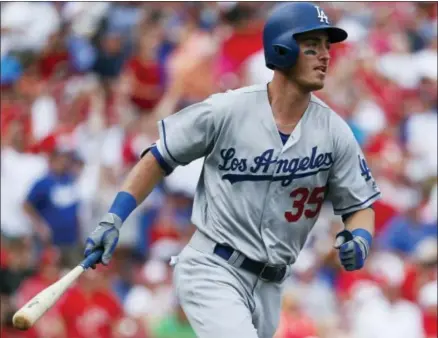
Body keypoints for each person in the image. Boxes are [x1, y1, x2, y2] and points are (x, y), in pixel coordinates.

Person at [84, 3, 381, 337]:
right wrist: (114, 217)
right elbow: (158, 157)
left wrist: (361, 239)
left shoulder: (333, 130)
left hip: (271, 284)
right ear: (280, 49)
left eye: (328, 46)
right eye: (313, 45)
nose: (325, 56)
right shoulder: (228, 110)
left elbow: (359, 206)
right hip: (214, 267)